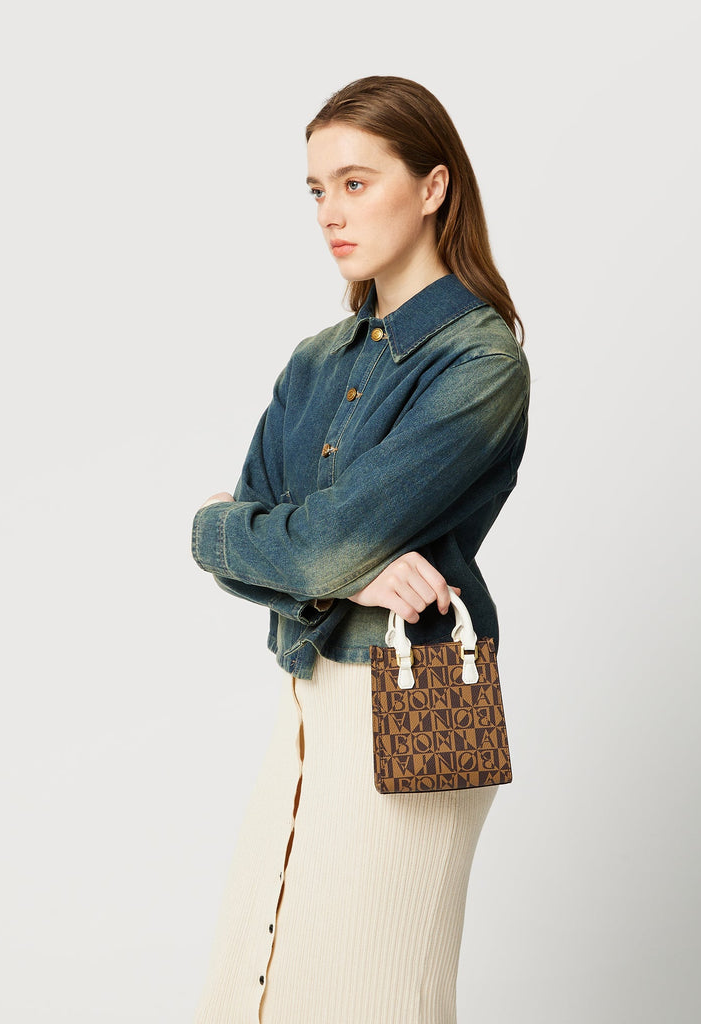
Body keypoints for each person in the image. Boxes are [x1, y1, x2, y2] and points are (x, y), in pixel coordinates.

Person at [191, 75, 529, 1024]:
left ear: (432, 187)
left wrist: (233, 530)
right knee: (254, 988)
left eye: (355, 182)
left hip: (427, 692)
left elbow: (299, 541)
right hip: (309, 689)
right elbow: (268, 545)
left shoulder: (480, 359)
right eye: (316, 190)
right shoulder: (316, 360)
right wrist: (342, 565)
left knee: (376, 994)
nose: (330, 214)